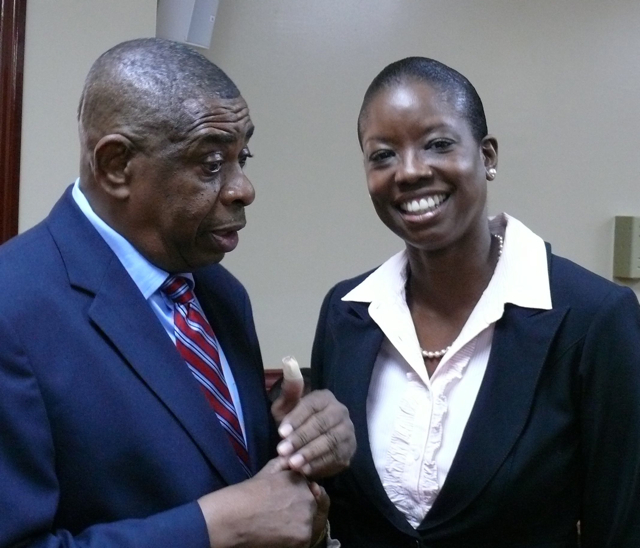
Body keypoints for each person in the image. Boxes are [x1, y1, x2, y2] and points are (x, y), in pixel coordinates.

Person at [0, 38, 354, 548]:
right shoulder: (14, 311)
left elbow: (222, 469)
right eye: (211, 163)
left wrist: (294, 441)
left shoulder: (220, 293)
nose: (243, 188)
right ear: (117, 165)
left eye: (242, 156)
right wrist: (213, 529)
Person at [311, 56, 640, 547]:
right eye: (382, 155)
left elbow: (621, 527)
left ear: (487, 156)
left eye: (437, 144)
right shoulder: (346, 312)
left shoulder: (594, 320)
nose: (409, 171)